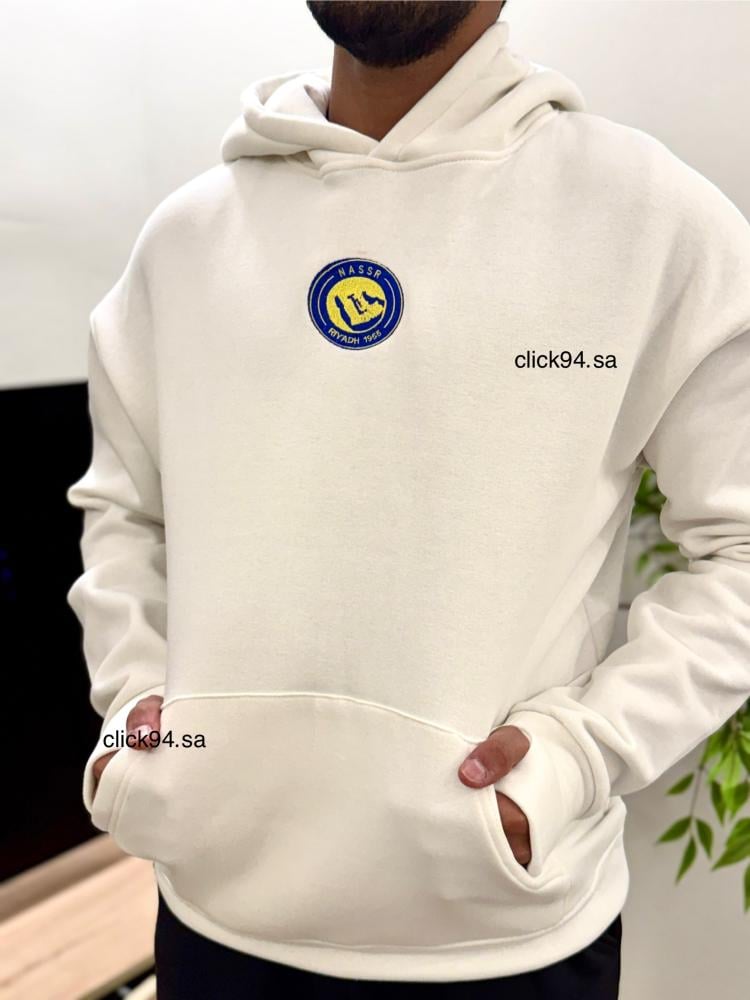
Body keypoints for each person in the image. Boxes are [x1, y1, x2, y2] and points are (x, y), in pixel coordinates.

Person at [65, 1, 750, 997]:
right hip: (215, 921)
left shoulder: (652, 220)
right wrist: (133, 715)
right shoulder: (184, 241)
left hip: (505, 942)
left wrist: (574, 757)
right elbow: (124, 511)